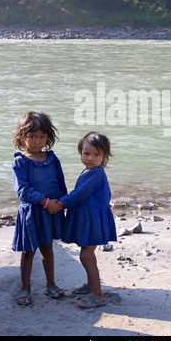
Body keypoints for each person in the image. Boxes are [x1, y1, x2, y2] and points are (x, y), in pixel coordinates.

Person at [12, 111, 67, 305]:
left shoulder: (52, 159)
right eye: (32, 137)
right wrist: (44, 201)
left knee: (47, 248)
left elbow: (60, 184)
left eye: (42, 137)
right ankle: (25, 288)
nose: (37, 141)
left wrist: (62, 203)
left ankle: (51, 285)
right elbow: (23, 190)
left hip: (51, 211)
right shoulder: (20, 162)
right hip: (32, 212)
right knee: (28, 251)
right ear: (22, 137)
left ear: (48, 137)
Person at [57, 132, 117, 309]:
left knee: (85, 256)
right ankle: (91, 285)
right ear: (80, 153)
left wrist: (61, 203)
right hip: (88, 217)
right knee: (89, 254)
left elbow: (79, 194)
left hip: (93, 220)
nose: (90, 158)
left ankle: (98, 296)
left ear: (104, 156)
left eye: (96, 154)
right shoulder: (89, 170)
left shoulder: (96, 173)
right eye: (86, 153)